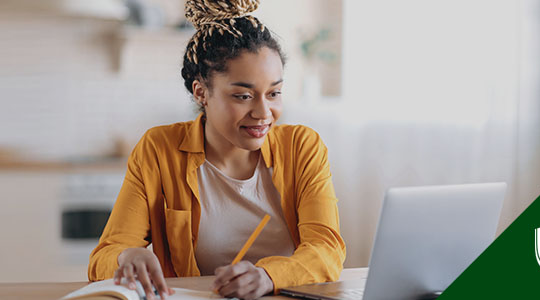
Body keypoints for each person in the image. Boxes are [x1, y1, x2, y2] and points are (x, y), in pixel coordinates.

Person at [87, 1, 346, 299]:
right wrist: (125, 257)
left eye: (274, 93)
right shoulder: (159, 150)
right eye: (243, 95)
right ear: (201, 92)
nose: (264, 113)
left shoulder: (302, 147)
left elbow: (327, 249)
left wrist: (267, 277)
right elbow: (104, 257)